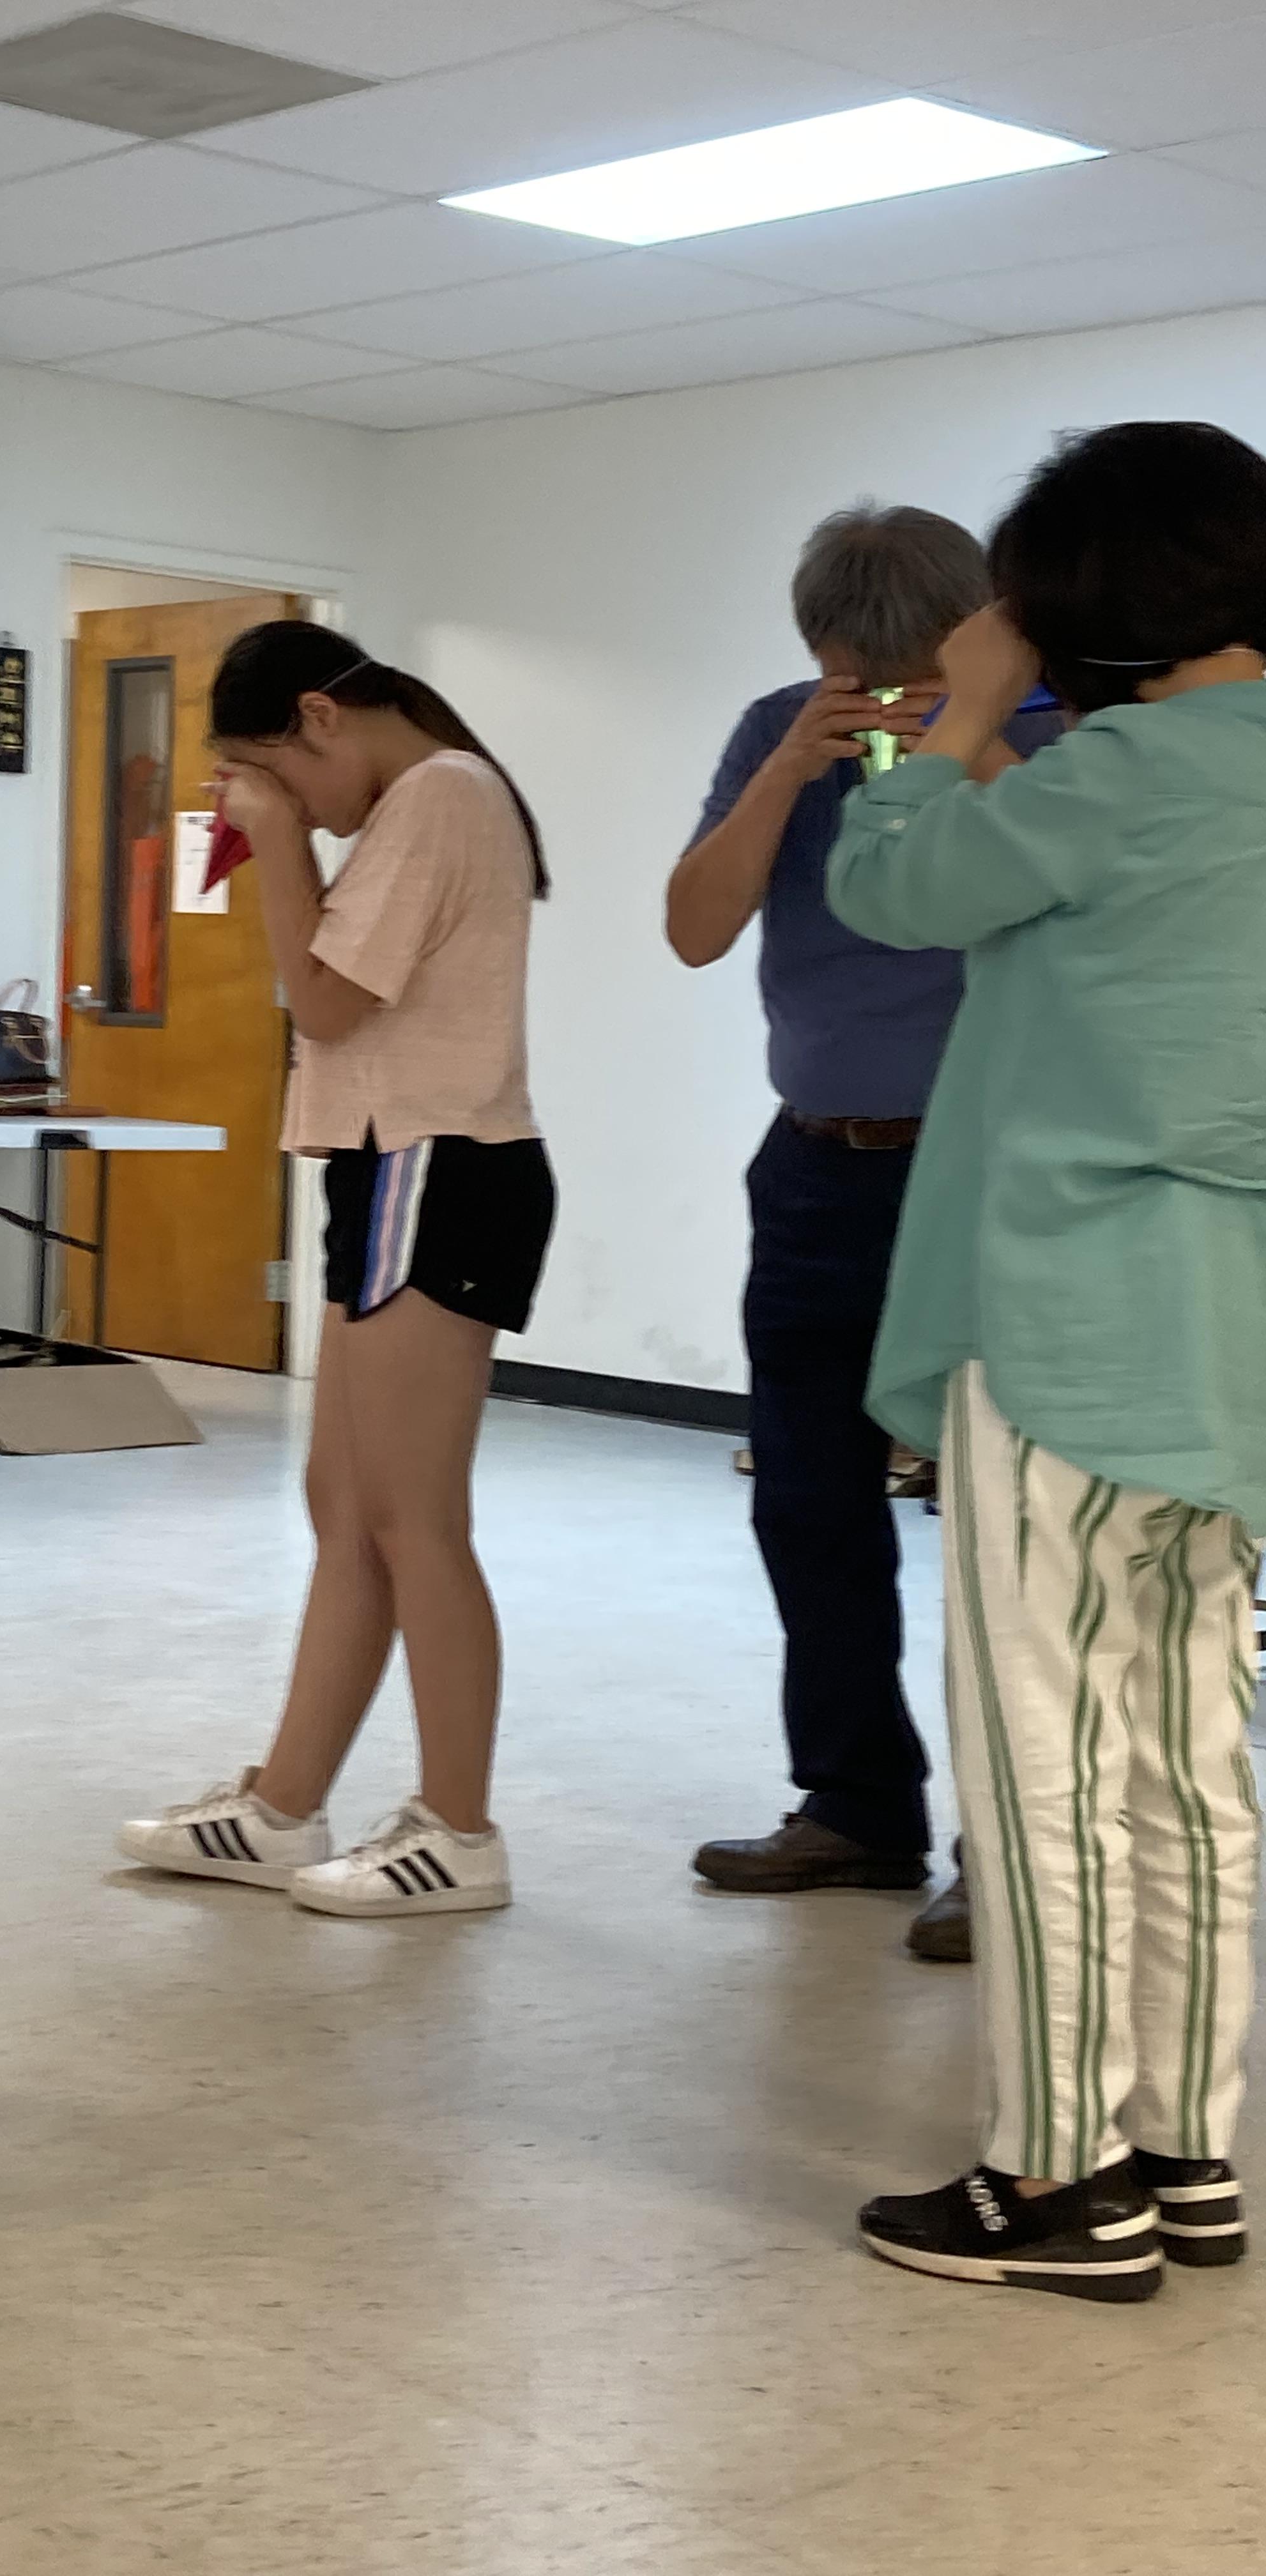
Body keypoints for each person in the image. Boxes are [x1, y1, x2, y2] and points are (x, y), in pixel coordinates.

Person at [832, 421, 1266, 2301]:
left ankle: (1056, 2182)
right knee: (1194, 1753)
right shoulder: (1189, 779)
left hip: (1072, 1328)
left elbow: (893, 882)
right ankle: (1186, 2154)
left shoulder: (1125, 775)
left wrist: (954, 709)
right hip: (1234, 1352)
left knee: (1046, 1769)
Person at [667, 507, 1065, 1957]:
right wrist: (789, 767)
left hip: (985, 1169)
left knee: (996, 1524)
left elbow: (1074, 899)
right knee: (806, 1501)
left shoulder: (1060, 730)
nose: (886, 697)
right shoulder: (780, 731)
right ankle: (856, 1805)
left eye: (917, 671)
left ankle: (1006, 1849)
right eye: (858, 673)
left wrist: (969, 737)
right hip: (816, 1164)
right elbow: (695, 927)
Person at [119, 624, 554, 1917]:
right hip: (390, 1167)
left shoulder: (440, 795)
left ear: (321, 717)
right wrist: (290, 833)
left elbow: (323, 1002)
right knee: (347, 1506)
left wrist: (280, 848)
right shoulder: (428, 799)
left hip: (440, 1166)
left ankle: (460, 1831)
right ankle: (283, 1805)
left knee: (414, 1519)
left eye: (281, 775)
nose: (293, 805)